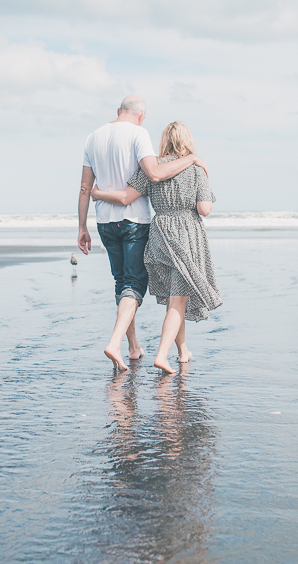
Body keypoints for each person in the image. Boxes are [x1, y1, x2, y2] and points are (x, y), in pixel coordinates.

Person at [78, 96, 209, 371]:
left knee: (124, 282)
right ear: (140, 116)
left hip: (127, 227)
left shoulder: (97, 139)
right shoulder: (144, 139)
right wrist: (194, 162)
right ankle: (137, 348)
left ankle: (144, 347)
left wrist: (90, 208)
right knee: (151, 289)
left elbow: (105, 192)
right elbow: (195, 202)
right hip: (156, 228)